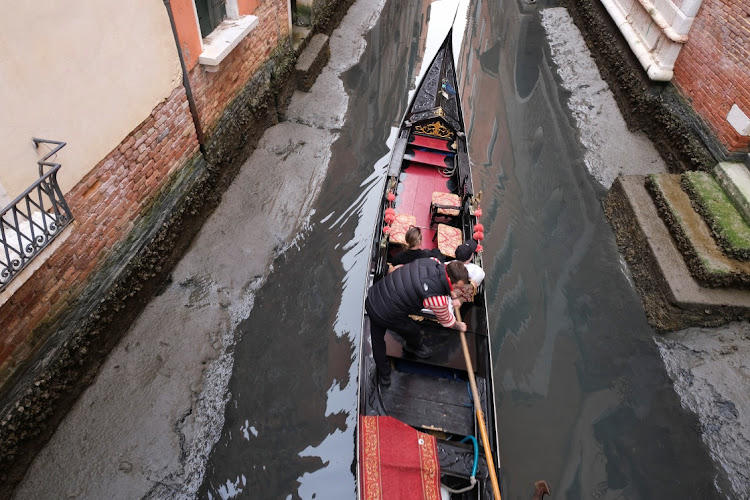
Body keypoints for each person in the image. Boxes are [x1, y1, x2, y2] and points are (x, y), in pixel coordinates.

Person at [365, 258, 469, 387]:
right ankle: (412, 348)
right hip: (387, 312)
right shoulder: (437, 299)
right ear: (451, 282)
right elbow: (446, 321)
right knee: (412, 331)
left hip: (375, 294)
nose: (457, 290)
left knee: (377, 341)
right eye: (456, 287)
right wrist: (459, 325)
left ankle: (384, 375)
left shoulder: (431, 261)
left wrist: (451, 294)